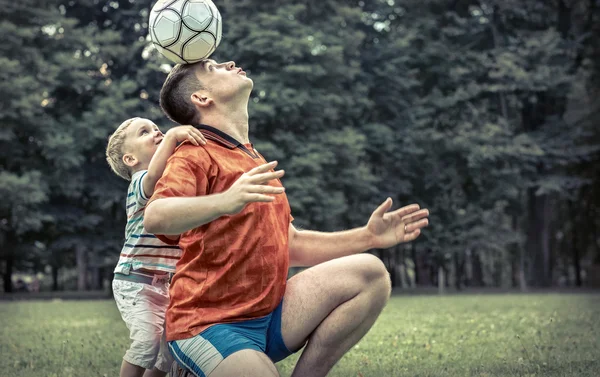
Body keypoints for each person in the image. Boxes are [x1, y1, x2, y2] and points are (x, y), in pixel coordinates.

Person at [143, 59, 430, 377]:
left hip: (269, 317)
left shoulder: (251, 157)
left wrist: (368, 237)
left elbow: (290, 243)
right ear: (201, 98)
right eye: (213, 68)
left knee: (371, 273)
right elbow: (155, 216)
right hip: (205, 324)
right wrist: (226, 201)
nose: (230, 63)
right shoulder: (193, 153)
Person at [106, 118, 285, 377]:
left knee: (166, 352)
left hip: (163, 282)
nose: (156, 132)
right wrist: (172, 136)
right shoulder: (140, 181)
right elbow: (154, 175)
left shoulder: (172, 183)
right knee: (146, 344)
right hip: (136, 282)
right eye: (144, 132)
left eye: (157, 128)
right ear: (130, 159)